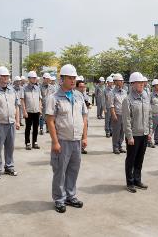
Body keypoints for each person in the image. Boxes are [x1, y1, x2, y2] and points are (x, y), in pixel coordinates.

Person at [46, 64, 88, 213]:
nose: (72, 81)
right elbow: (50, 120)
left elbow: (84, 116)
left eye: (74, 78)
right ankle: (59, 199)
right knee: (60, 170)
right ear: (62, 79)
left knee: (73, 169)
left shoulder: (79, 95)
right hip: (62, 140)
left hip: (76, 140)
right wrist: (55, 142)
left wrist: (84, 137)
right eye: (69, 78)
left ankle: (71, 195)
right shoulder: (54, 97)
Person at [122, 72, 152, 193]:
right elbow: (126, 120)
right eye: (139, 83)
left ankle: (137, 180)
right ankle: (130, 182)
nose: (142, 85)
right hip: (133, 135)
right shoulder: (127, 99)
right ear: (133, 84)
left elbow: (149, 115)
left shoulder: (145, 96)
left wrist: (149, 131)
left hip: (144, 134)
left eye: (142, 83)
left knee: (140, 158)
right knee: (131, 159)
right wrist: (129, 136)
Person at [21, 71, 42, 150]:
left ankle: (35, 142)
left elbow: (40, 99)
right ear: (29, 78)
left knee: (36, 127)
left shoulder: (37, 88)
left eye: (35, 78)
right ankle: (28, 143)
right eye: (33, 78)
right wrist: (24, 111)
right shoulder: (24, 88)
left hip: (36, 111)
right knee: (28, 128)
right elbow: (22, 100)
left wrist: (40, 109)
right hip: (28, 111)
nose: (34, 79)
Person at [110, 73, 127, 154]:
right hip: (117, 114)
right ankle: (115, 147)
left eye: (122, 81)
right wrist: (113, 115)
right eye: (120, 81)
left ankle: (120, 146)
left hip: (124, 114)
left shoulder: (124, 91)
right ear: (116, 82)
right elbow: (111, 105)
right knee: (116, 131)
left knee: (122, 131)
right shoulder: (112, 92)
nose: (122, 82)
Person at [76, 79, 91, 154]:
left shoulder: (84, 95)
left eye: (83, 87)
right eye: (80, 87)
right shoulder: (74, 95)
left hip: (84, 116)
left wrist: (88, 104)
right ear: (76, 87)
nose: (82, 88)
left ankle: (82, 147)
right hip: (77, 118)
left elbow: (87, 102)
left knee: (84, 131)